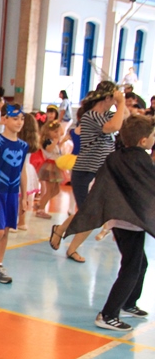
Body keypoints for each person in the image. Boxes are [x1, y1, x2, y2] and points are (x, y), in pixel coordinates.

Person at [65, 115, 154, 330]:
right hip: (130, 222)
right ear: (143, 140)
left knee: (140, 263)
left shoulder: (117, 157)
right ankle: (108, 314)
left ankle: (128, 303)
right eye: (152, 135)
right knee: (131, 267)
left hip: (121, 220)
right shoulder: (140, 160)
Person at [50, 82, 127, 263]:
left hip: (102, 171)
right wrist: (121, 102)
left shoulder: (107, 115)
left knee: (93, 213)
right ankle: (62, 234)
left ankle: (66, 238)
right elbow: (113, 127)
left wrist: (121, 104)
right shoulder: (90, 116)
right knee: (88, 212)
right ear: (107, 98)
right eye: (113, 98)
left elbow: (125, 120)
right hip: (85, 171)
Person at [0, 104, 28, 287]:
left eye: (22, 119)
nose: (19, 122)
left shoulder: (23, 146)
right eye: (15, 118)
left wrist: (24, 197)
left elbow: (22, 171)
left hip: (13, 193)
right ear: (5, 119)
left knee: (7, 229)